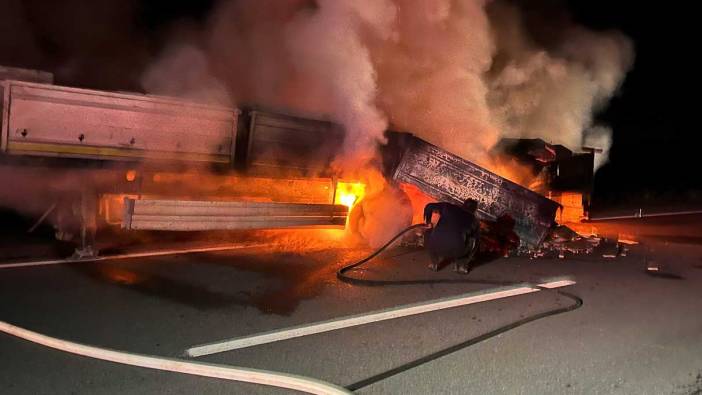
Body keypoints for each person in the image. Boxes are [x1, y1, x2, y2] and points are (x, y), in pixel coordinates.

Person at [423, 198, 480, 274]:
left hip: (436, 247)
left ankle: (434, 264)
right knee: (475, 240)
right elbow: (475, 238)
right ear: (474, 210)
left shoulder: (448, 207)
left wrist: (428, 222)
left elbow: (429, 206)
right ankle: (461, 265)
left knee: (427, 232)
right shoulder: (474, 220)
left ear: (463, 205)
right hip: (457, 252)